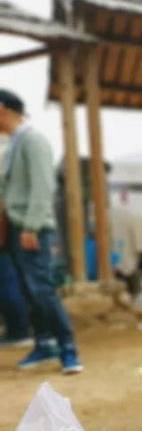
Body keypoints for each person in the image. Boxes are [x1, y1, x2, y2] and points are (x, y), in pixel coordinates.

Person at [0, 89, 82, 373]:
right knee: (28, 289)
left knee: (42, 289)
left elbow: (43, 185)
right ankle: (44, 343)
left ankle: (68, 348)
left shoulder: (33, 139)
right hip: (17, 226)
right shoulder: (14, 143)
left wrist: (31, 225)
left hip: (31, 227)